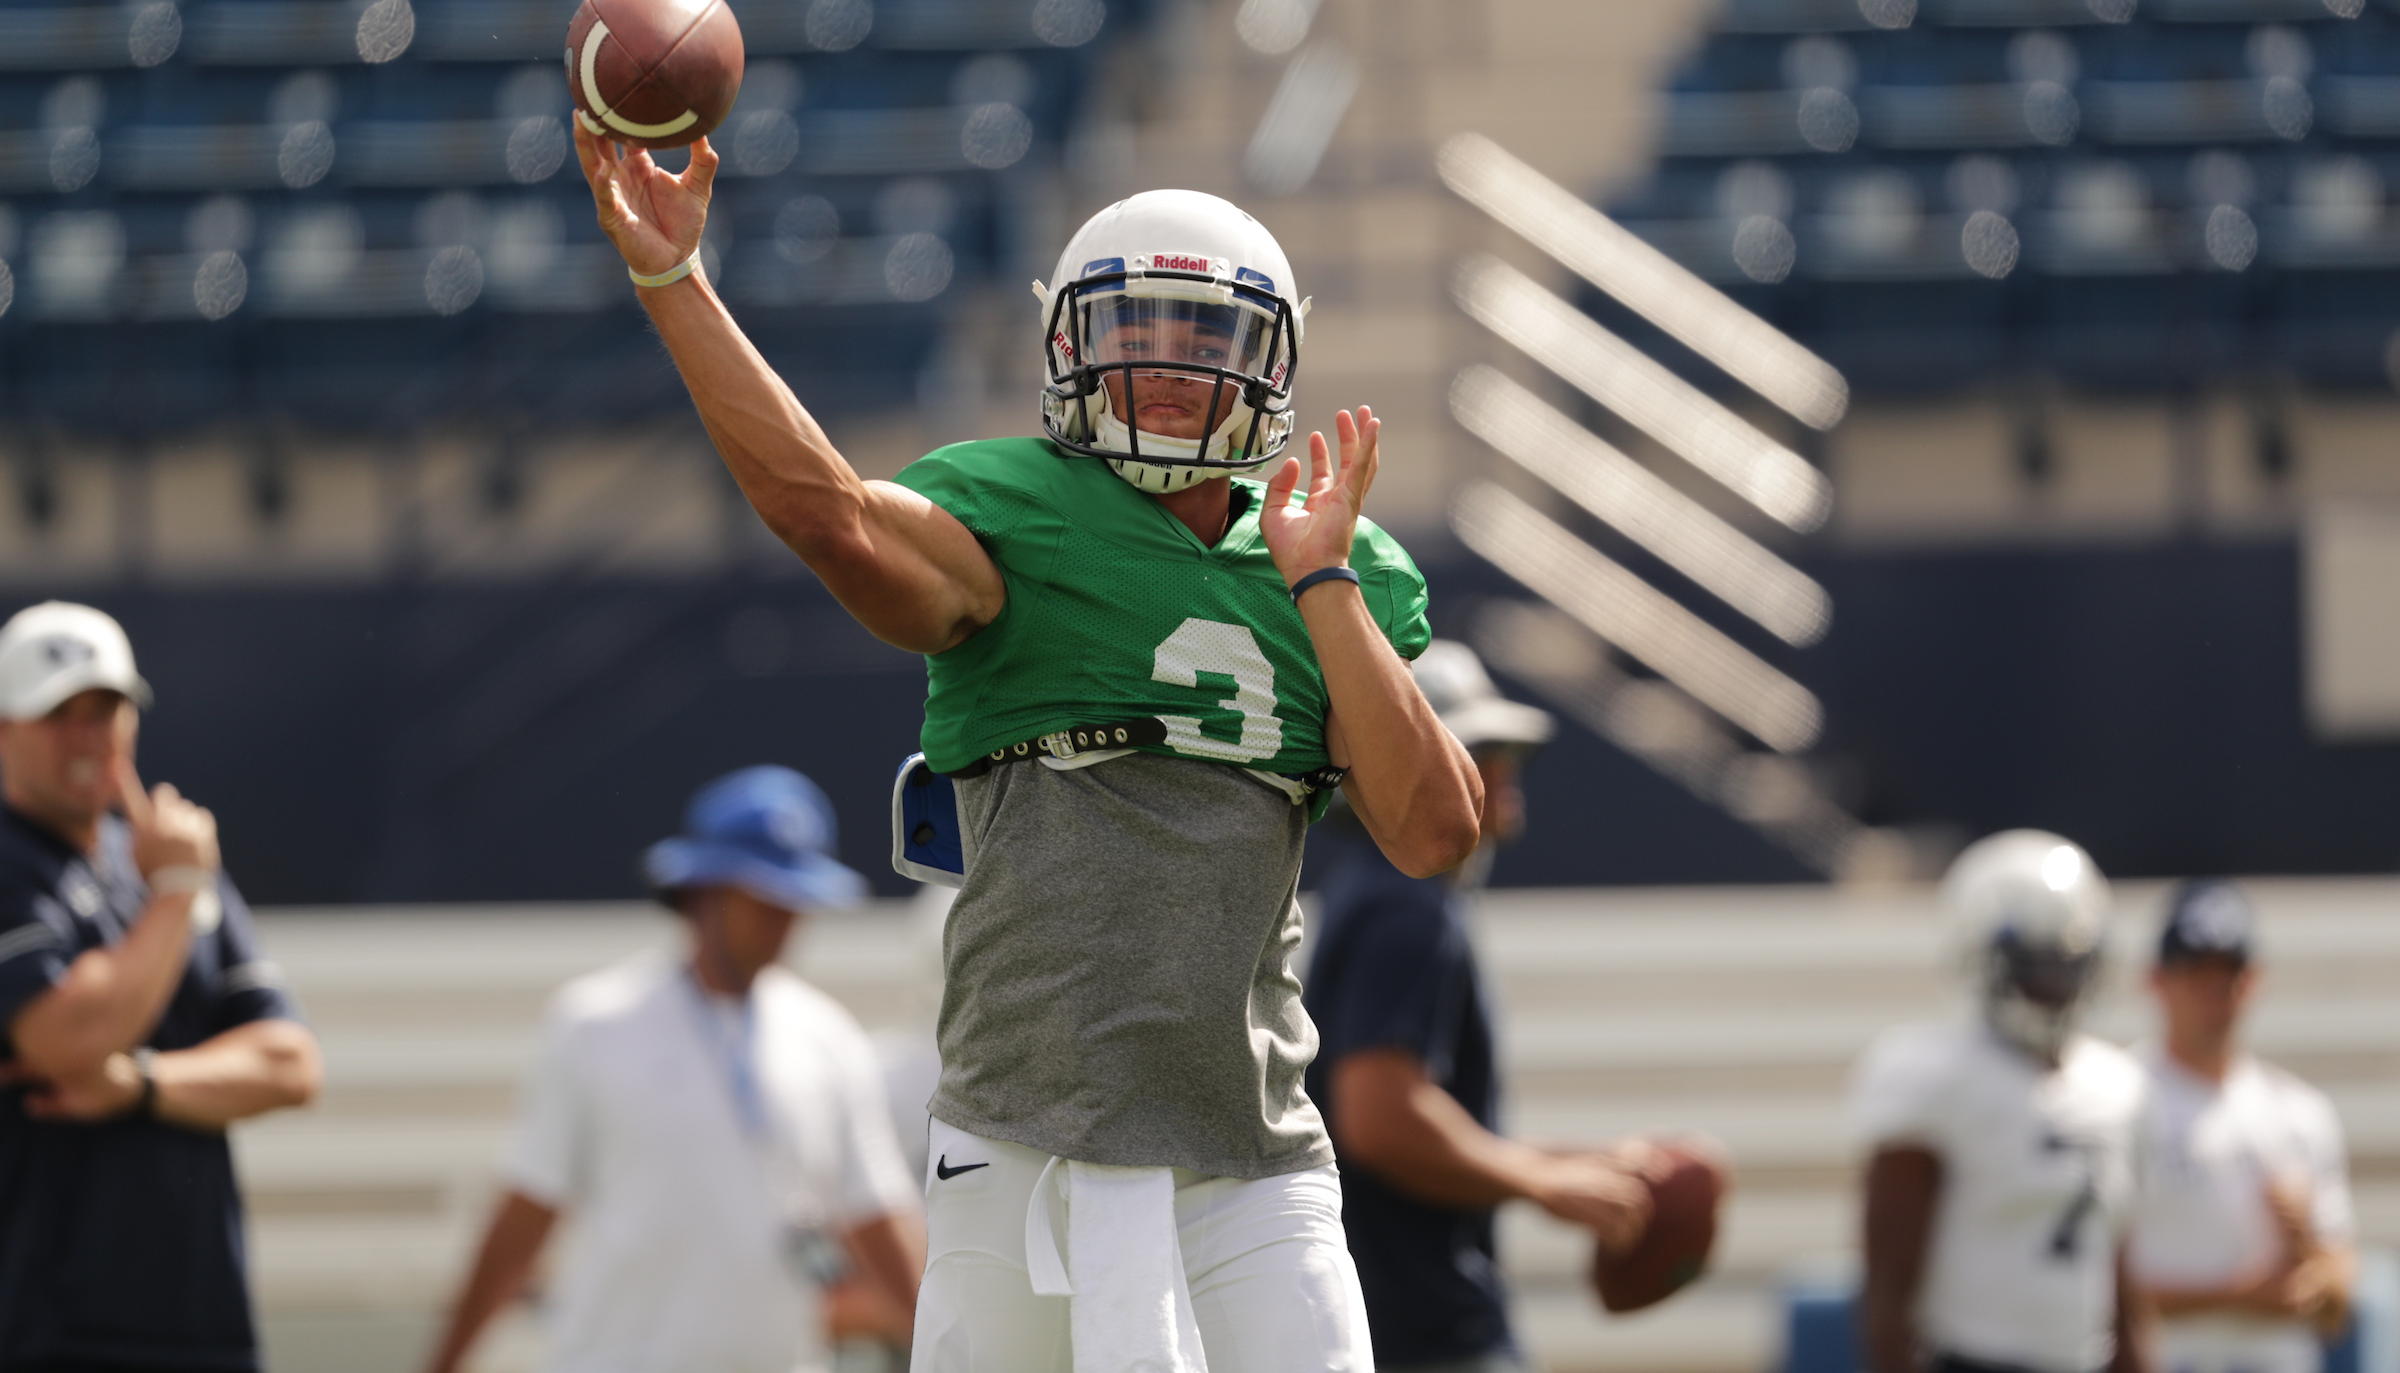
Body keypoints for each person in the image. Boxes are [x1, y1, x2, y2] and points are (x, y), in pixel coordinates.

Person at [573, 125, 1480, 1373]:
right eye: (1135, 329)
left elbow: (1436, 832)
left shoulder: (1335, 559)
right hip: (1021, 1142)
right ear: (1070, 347)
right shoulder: (1015, 508)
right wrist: (678, 284)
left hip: (1256, 1151)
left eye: (1205, 336)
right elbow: (827, 519)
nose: (1167, 366)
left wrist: (1318, 573)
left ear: (1270, 360)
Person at [424, 766, 923, 1373]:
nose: (786, 919)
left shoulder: (829, 1037)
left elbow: (877, 1218)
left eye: (797, 900)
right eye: (765, 897)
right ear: (703, 891)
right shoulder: (595, 1024)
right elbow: (525, 1216)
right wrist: (444, 1363)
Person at [1305, 638, 1655, 1372]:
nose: (1500, 771)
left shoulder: (1384, 893)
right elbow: (1378, 1116)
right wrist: (1540, 1182)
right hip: (1419, 1326)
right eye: (1470, 749)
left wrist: (1569, 1164)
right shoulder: (1407, 909)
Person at [0, 600, 322, 1373]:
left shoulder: (155, 856)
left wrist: (143, 1083)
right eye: (57, 715)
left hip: (203, 1328)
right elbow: (67, 1035)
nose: (87, 738)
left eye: (104, 710)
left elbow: (291, 1064)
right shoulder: (30, 862)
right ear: (4, 730)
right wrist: (176, 895)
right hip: (45, 1331)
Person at [1851, 830, 2153, 1373]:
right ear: (1983, 959)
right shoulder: (1933, 1075)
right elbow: (1887, 1293)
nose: (2056, 982)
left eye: (2069, 963)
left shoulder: (2117, 1086)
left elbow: (2120, 1285)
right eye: (2037, 964)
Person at [2129, 880, 2355, 1373]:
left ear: (2253, 981)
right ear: (2156, 980)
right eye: (2196, 973)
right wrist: (2240, 1297)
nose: (2215, 994)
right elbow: (2085, 1288)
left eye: (2228, 975)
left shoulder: (2299, 1113)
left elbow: (2338, 1304)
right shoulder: (2118, 1103)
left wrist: (2307, 1251)